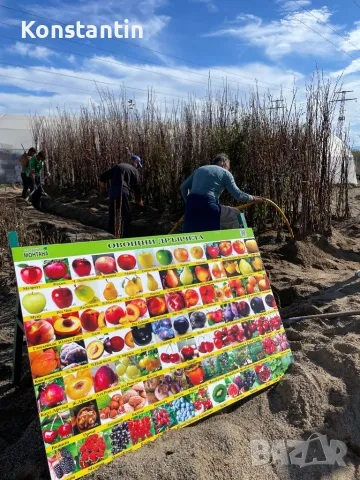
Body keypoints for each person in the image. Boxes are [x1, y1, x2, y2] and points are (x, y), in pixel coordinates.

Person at [180, 153, 264, 233]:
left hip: (191, 207)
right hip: (209, 205)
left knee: (195, 231)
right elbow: (238, 195)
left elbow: (183, 187)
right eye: (228, 167)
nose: (228, 170)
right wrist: (254, 198)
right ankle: (237, 244)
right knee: (236, 215)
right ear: (224, 164)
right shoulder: (225, 173)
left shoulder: (199, 169)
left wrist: (189, 203)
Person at [100, 155, 143, 237]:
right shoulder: (134, 170)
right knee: (127, 214)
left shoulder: (118, 166)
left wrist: (102, 188)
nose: (137, 167)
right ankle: (125, 236)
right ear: (135, 162)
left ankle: (110, 235)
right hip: (123, 192)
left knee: (112, 215)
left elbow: (102, 177)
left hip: (112, 192)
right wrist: (139, 201)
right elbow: (137, 188)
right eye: (138, 165)